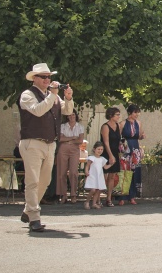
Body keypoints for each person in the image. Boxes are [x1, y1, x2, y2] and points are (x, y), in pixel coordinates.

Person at [16, 63, 72, 233]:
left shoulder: (51, 95)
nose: (48, 80)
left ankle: (28, 210)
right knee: (32, 180)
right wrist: (53, 95)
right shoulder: (27, 95)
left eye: (49, 77)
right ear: (35, 78)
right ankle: (34, 216)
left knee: (45, 180)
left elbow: (67, 111)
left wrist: (68, 97)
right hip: (32, 142)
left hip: (49, 143)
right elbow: (38, 111)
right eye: (43, 77)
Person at [119, 104, 145, 204]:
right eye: (135, 112)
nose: (137, 114)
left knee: (135, 172)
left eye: (138, 112)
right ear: (130, 112)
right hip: (126, 148)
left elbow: (139, 136)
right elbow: (119, 137)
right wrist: (122, 147)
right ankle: (122, 197)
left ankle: (132, 196)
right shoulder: (122, 123)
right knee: (125, 172)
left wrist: (142, 137)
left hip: (135, 148)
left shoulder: (138, 123)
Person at [56, 112, 84, 203]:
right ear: (67, 116)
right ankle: (63, 194)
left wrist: (67, 139)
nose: (72, 117)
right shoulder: (63, 126)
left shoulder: (80, 126)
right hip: (63, 149)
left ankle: (73, 194)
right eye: (70, 115)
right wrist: (72, 138)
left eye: (73, 115)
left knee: (73, 172)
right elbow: (60, 139)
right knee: (61, 172)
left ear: (76, 116)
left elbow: (80, 140)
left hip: (74, 149)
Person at [100, 106, 124, 205]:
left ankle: (109, 198)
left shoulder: (118, 126)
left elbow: (118, 140)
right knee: (104, 176)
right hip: (106, 152)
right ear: (111, 115)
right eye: (117, 115)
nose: (119, 116)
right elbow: (106, 142)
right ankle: (98, 198)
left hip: (115, 151)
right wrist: (110, 155)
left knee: (112, 176)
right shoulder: (105, 126)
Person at [84, 142, 107, 210]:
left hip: (99, 176)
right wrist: (86, 171)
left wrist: (111, 163)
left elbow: (105, 167)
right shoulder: (91, 158)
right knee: (93, 190)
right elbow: (87, 165)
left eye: (101, 149)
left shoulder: (102, 159)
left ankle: (94, 203)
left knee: (98, 190)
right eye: (98, 149)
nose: (100, 151)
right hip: (93, 175)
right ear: (94, 149)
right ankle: (87, 201)